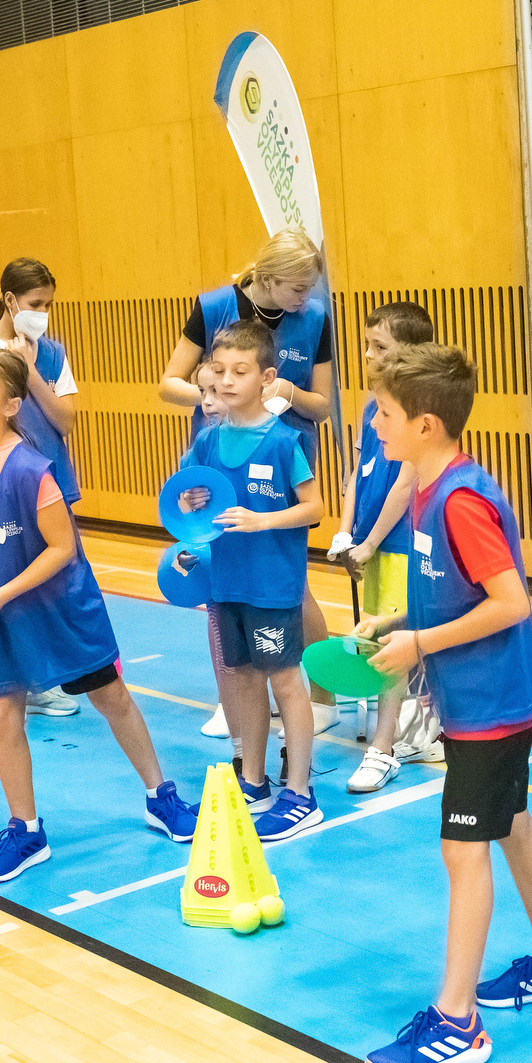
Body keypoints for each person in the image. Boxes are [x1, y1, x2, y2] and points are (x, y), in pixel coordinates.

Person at [358, 343, 532, 1063]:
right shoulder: (428, 488)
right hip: (477, 699)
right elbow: (450, 588)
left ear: (426, 424)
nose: (375, 423)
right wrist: (397, 623)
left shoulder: (459, 499)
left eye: (384, 413)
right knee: (511, 822)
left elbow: (511, 601)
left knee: (464, 850)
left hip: (492, 703)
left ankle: (457, 1023)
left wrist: (421, 642)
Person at [0, 348, 200, 881]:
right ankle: (26, 830)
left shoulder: (31, 470)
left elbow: (61, 549)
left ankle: (160, 797)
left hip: (59, 605)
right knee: (2, 714)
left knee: (111, 697)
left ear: (11, 406)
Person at [159, 231, 339, 740]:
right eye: (296, 288)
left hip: (279, 463)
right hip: (220, 462)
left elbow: (323, 406)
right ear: (269, 277)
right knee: (220, 579)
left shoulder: (315, 318)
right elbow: (168, 383)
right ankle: (232, 697)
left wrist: (287, 391)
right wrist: (213, 391)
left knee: (292, 587)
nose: (304, 298)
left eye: (309, 289)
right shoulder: (214, 306)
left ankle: (322, 696)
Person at [174, 320, 326, 841]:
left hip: (272, 587)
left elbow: (313, 508)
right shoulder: (207, 441)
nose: (227, 381)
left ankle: (300, 793)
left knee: (285, 681)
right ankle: (254, 782)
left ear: (266, 378)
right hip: (226, 585)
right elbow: (191, 503)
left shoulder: (284, 442)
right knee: (241, 680)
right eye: (219, 370)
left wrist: (264, 520)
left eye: (240, 371)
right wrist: (189, 519)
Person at [0, 257, 86, 719]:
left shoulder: (52, 353)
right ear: (10, 301)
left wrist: (29, 370)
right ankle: (8, 695)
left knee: (54, 586)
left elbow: (66, 420)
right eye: (35, 303)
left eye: (48, 304)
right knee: (6, 588)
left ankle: (44, 681)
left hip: (50, 486)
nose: (43, 313)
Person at [330, 300, 443, 792]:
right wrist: (347, 531)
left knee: (395, 644)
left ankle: (383, 749)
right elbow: (358, 472)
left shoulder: (421, 408)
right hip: (369, 542)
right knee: (379, 640)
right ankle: (420, 732)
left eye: (380, 346)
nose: (368, 355)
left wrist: (373, 540)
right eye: (367, 345)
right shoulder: (370, 405)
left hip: (399, 542)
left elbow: (405, 482)